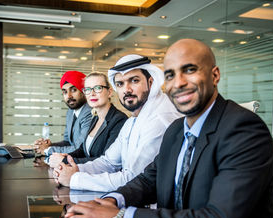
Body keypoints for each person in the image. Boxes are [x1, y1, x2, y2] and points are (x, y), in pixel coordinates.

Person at [60, 39, 273, 218]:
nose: (179, 83)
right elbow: (150, 179)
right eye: (170, 75)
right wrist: (111, 201)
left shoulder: (244, 130)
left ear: (215, 75)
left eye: (189, 70)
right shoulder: (177, 129)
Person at [52, 54, 181, 192]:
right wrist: (74, 169)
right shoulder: (132, 120)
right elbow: (108, 162)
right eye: (120, 84)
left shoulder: (158, 119)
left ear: (151, 82)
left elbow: (133, 179)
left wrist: (74, 179)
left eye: (134, 80)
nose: (127, 89)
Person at [48, 72, 128, 167]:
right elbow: (82, 150)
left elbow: (105, 161)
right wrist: (64, 156)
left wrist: (66, 161)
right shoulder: (95, 117)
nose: (92, 94)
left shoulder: (119, 120)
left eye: (98, 88)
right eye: (88, 90)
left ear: (109, 92)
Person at [34, 71, 92, 156]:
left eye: (73, 90)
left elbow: (80, 148)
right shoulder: (70, 112)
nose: (69, 96)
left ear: (84, 90)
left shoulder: (90, 112)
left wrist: (48, 150)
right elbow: (67, 142)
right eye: (65, 92)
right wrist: (48, 145)